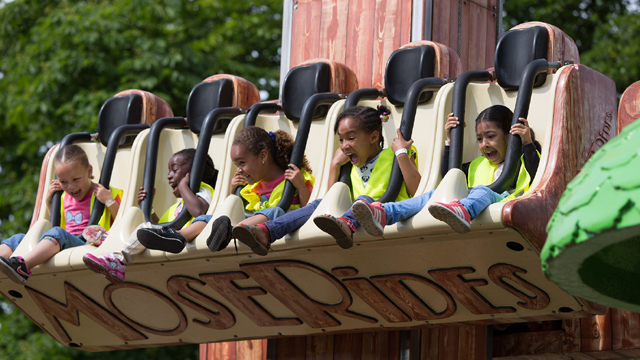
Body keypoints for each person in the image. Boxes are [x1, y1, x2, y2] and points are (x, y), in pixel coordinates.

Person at [232, 105, 421, 255]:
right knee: (318, 203)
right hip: (355, 214)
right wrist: (334, 166)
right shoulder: (348, 165)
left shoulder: (395, 154)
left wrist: (402, 154)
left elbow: (417, 191)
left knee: (363, 201)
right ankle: (267, 232)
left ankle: (347, 224)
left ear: (373, 136)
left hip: (384, 211)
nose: (345, 146)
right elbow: (330, 202)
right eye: (341, 140)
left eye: (351, 138)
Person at [352, 104, 541, 235]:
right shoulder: (478, 165)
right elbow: (449, 175)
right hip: (471, 207)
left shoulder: (524, 159)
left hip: (507, 203)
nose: (485, 144)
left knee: (483, 190)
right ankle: (384, 213)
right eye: (480, 139)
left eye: (491, 136)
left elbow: (539, 174)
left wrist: (526, 143)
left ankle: (463, 211)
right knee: (432, 195)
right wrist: (450, 141)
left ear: (510, 134)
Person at [136, 126, 315, 253]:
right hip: (247, 225)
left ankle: (231, 231)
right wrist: (232, 192)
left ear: (263, 156)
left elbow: (310, 209)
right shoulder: (250, 187)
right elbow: (232, 211)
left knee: (274, 210)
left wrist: (300, 185)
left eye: (242, 163)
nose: (239, 170)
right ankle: (178, 236)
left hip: (280, 224)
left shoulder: (296, 178)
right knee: (210, 218)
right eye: (236, 164)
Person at [82, 148, 216, 282]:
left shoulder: (203, 189)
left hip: (186, 239)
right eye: (169, 171)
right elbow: (160, 225)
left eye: (175, 170)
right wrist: (149, 209)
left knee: (144, 228)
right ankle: (113, 240)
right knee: (145, 229)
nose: (169, 175)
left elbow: (199, 211)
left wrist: (183, 186)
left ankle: (118, 260)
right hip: (170, 237)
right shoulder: (178, 206)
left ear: (195, 172)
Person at [0, 145, 123, 285]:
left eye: (76, 179)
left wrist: (108, 201)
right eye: (63, 182)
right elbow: (55, 226)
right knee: (18, 239)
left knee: (58, 233)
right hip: (64, 242)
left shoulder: (106, 193)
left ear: (89, 171)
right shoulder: (63, 197)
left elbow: (123, 223)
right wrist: (49, 202)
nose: (70, 186)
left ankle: (22, 267)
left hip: (89, 244)